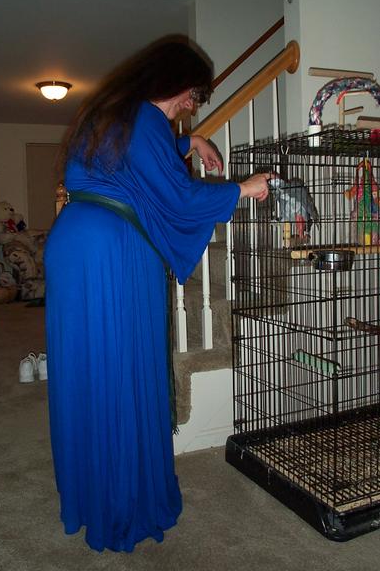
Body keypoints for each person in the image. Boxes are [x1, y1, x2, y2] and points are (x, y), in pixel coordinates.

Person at [44, 36, 270, 553]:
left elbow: (132, 163)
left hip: (74, 242)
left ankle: (90, 498)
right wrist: (244, 188)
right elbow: (179, 196)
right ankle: (122, 507)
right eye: (192, 96)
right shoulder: (144, 116)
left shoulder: (108, 114)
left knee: (86, 370)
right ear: (172, 82)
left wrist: (190, 143)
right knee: (123, 367)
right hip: (113, 249)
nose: (190, 107)